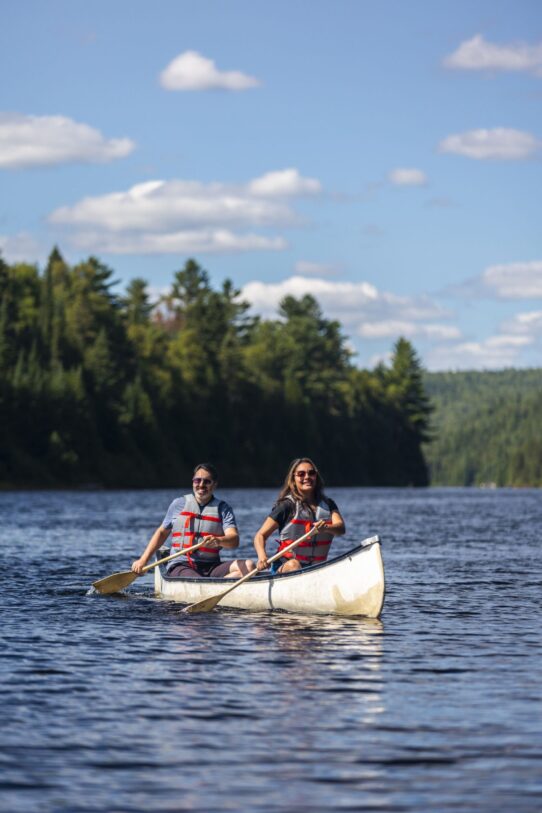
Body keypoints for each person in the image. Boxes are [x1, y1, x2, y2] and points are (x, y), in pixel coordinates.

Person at [131, 463, 255, 579]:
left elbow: (234, 540)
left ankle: (215, 586)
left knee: (249, 566)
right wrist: (143, 560)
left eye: (207, 481)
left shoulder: (223, 508)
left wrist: (218, 540)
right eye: (197, 480)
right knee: (197, 579)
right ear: (193, 482)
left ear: (214, 485)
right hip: (181, 564)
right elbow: (162, 533)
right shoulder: (178, 504)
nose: (201, 485)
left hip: (211, 566)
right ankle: (213, 585)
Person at [253, 457, 345, 574]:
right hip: (286, 566)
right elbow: (260, 535)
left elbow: (341, 528)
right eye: (301, 474)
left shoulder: (328, 504)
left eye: (311, 473)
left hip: (316, 569)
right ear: (293, 479)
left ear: (316, 476)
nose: (307, 477)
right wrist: (262, 556)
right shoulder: (286, 506)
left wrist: (326, 527)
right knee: (294, 564)